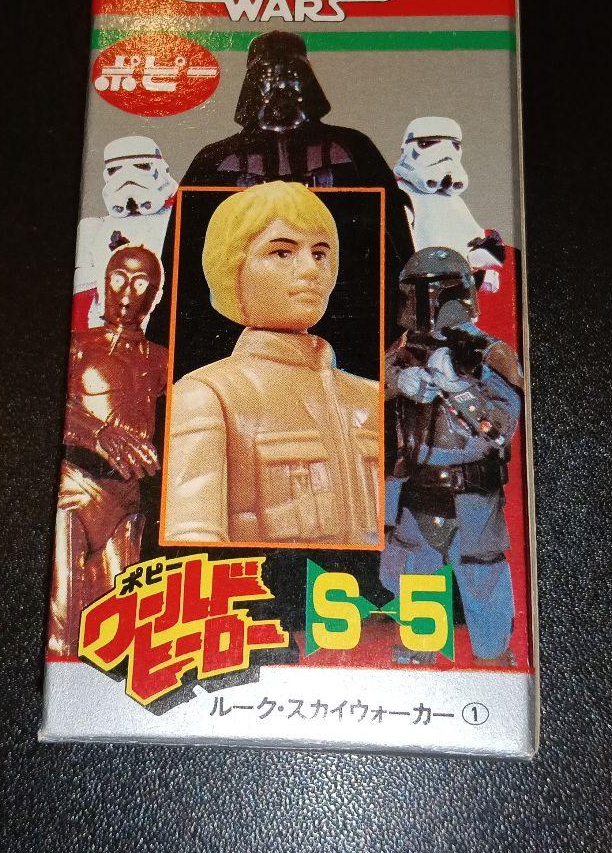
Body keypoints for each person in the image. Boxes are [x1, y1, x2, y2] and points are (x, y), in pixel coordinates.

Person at [163, 182, 381, 547]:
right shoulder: (210, 395)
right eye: (282, 252)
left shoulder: (370, 396)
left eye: (320, 254)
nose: (310, 270)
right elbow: (191, 538)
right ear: (234, 267)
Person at [174, 31, 413, 343]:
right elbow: (182, 251)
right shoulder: (216, 159)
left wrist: (406, 314)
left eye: (291, 74)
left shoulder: (353, 149)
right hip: (242, 316)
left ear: (307, 79)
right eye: (268, 75)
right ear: (252, 84)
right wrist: (171, 334)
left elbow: (395, 236)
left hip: (348, 308)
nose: (280, 86)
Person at [382, 246, 523, 666]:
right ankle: (418, 648)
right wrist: (397, 383)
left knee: (481, 572)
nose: (423, 305)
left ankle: (493, 656)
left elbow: (500, 428)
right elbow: (360, 409)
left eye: (432, 293)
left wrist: (459, 389)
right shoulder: (399, 353)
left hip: (472, 489)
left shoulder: (489, 354)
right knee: (412, 569)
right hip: (414, 486)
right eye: (416, 293)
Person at [47, 245, 167, 656]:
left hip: (125, 502)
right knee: (61, 629)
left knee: (112, 637)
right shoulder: (78, 345)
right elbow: (52, 408)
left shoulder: (162, 360)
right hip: (75, 489)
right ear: (104, 283)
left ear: (155, 295)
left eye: (140, 282)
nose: (127, 291)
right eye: (119, 278)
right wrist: (98, 433)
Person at [73, 135, 177, 329]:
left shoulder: (178, 217)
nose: (128, 178)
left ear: (161, 169)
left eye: (141, 166)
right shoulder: (94, 229)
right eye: (115, 170)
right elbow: (81, 299)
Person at [393, 117, 505, 292]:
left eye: (454, 145)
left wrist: (486, 251)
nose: (445, 155)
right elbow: (406, 254)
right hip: (423, 292)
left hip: (458, 291)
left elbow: (472, 245)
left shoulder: (454, 201)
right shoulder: (401, 196)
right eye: (428, 144)